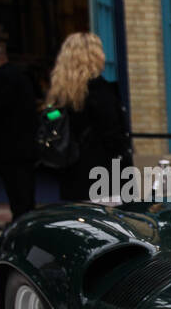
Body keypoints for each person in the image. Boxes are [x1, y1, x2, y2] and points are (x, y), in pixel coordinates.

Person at [46, 32, 132, 203]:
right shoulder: (101, 92)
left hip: (72, 176)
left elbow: (52, 119)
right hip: (105, 178)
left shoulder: (60, 95)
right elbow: (113, 137)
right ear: (94, 57)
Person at [0, 42, 40, 226]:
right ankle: (28, 218)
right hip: (26, 139)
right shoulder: (23, 75)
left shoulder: (0, 77)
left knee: (15, 185)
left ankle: (19, 220)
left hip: (9, 142)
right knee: (26, 183)